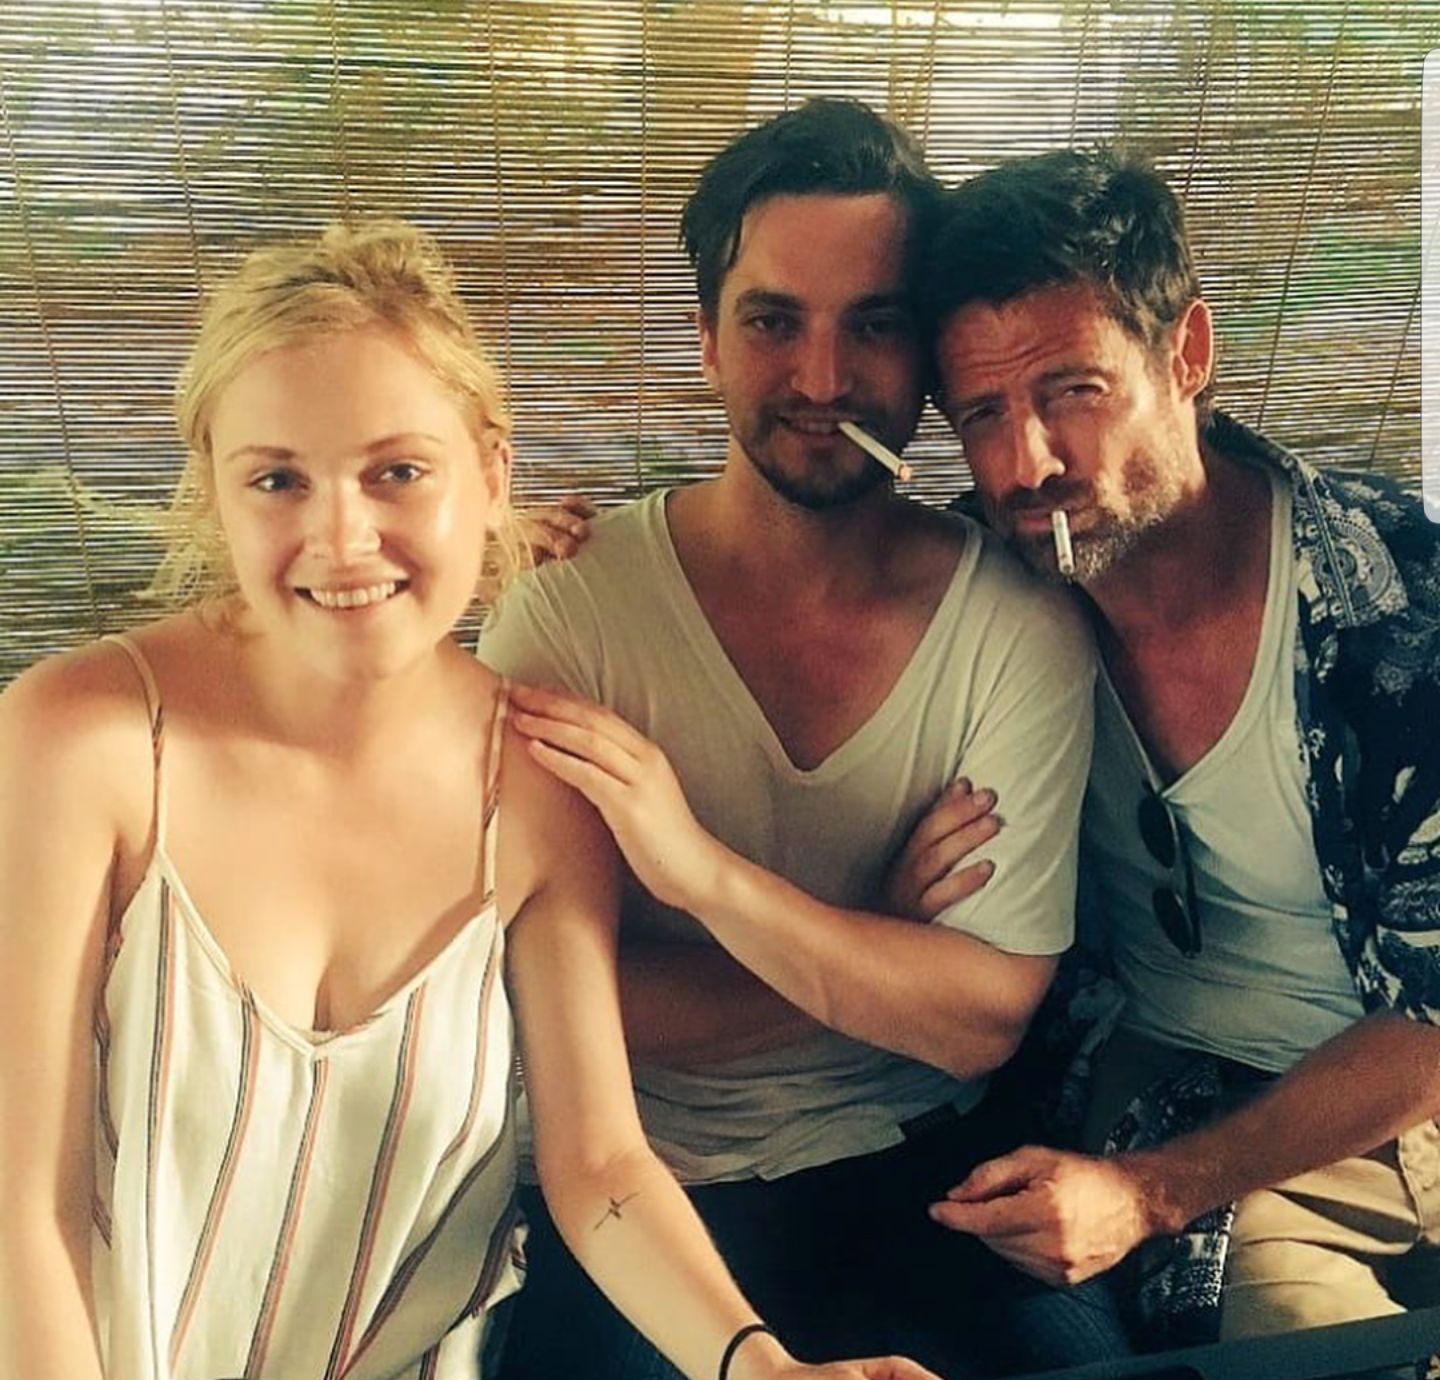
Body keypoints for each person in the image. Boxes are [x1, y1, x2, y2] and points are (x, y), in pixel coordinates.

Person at [0, 220, 942, 1380]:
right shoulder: (79, 741)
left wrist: (758, 1365)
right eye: (278, 480)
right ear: (217, 493)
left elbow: (600, 1171)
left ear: (491, 478)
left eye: (397, 472)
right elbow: (23, 1206)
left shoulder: (536, 784)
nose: (342, 538)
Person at [478, 99, 1130, 1377]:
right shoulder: (570, 612)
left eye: (873, 325)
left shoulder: (1017, 626)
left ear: (926, 351)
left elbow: (978, 1020)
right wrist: (868, 935)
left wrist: (704, 881)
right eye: (774, 321)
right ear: (707, 340)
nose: (825, 380)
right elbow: (541, 999)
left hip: (923, 1166)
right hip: (630, 1185)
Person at [899, 147, 1440, 1348]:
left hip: (1395, 1078)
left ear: (1187, 353)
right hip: (1196, 1106)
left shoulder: (1401, 600)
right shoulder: (970, 597)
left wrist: (1150, 1193)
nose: (1028, 463)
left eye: (1073, 390)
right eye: (982, 415)